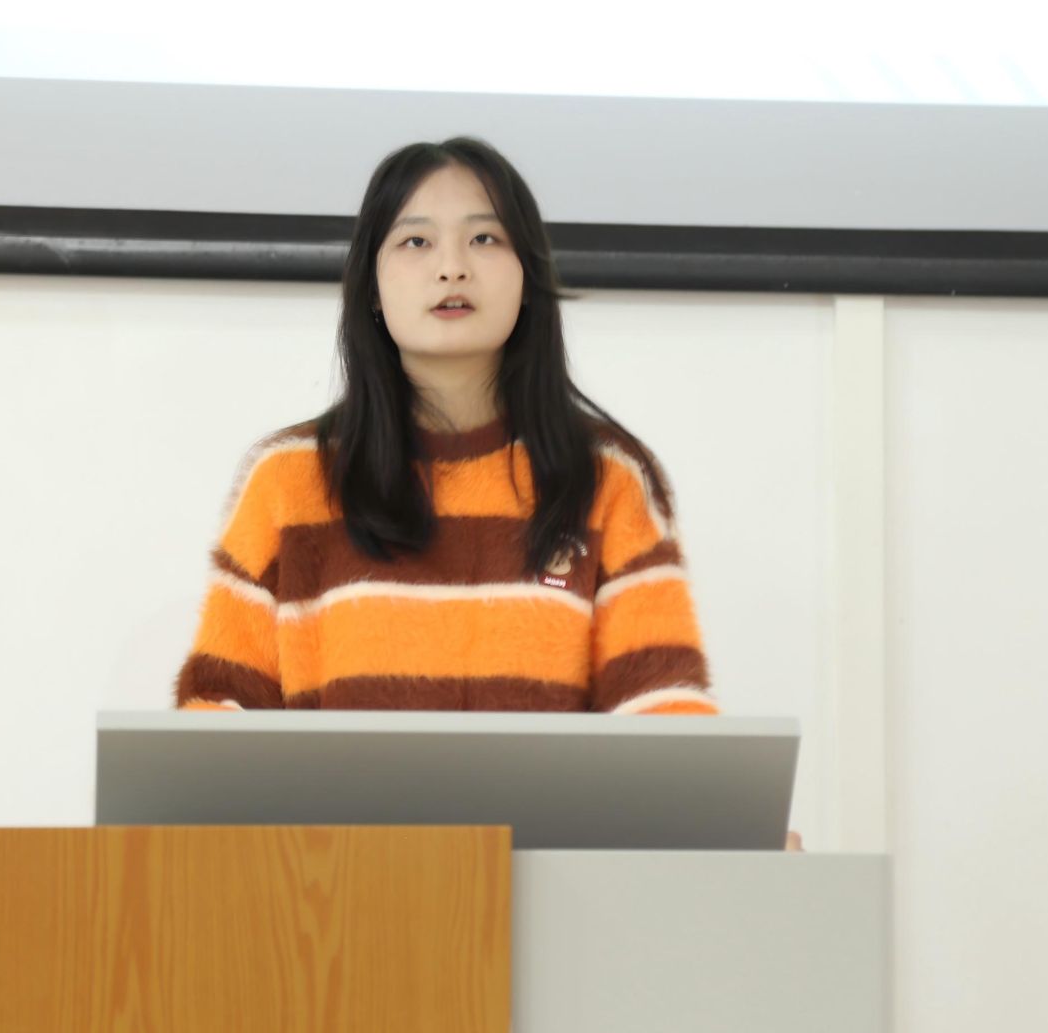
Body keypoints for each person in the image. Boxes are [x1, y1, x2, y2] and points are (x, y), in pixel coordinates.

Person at [173, 137, 716, 716]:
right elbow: (217, 715)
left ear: (527, 277)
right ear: (372, 287)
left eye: (485, 239)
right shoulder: (287, 479)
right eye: (416, 241)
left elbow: (665, 719)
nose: (452, 267)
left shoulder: (608, 477)